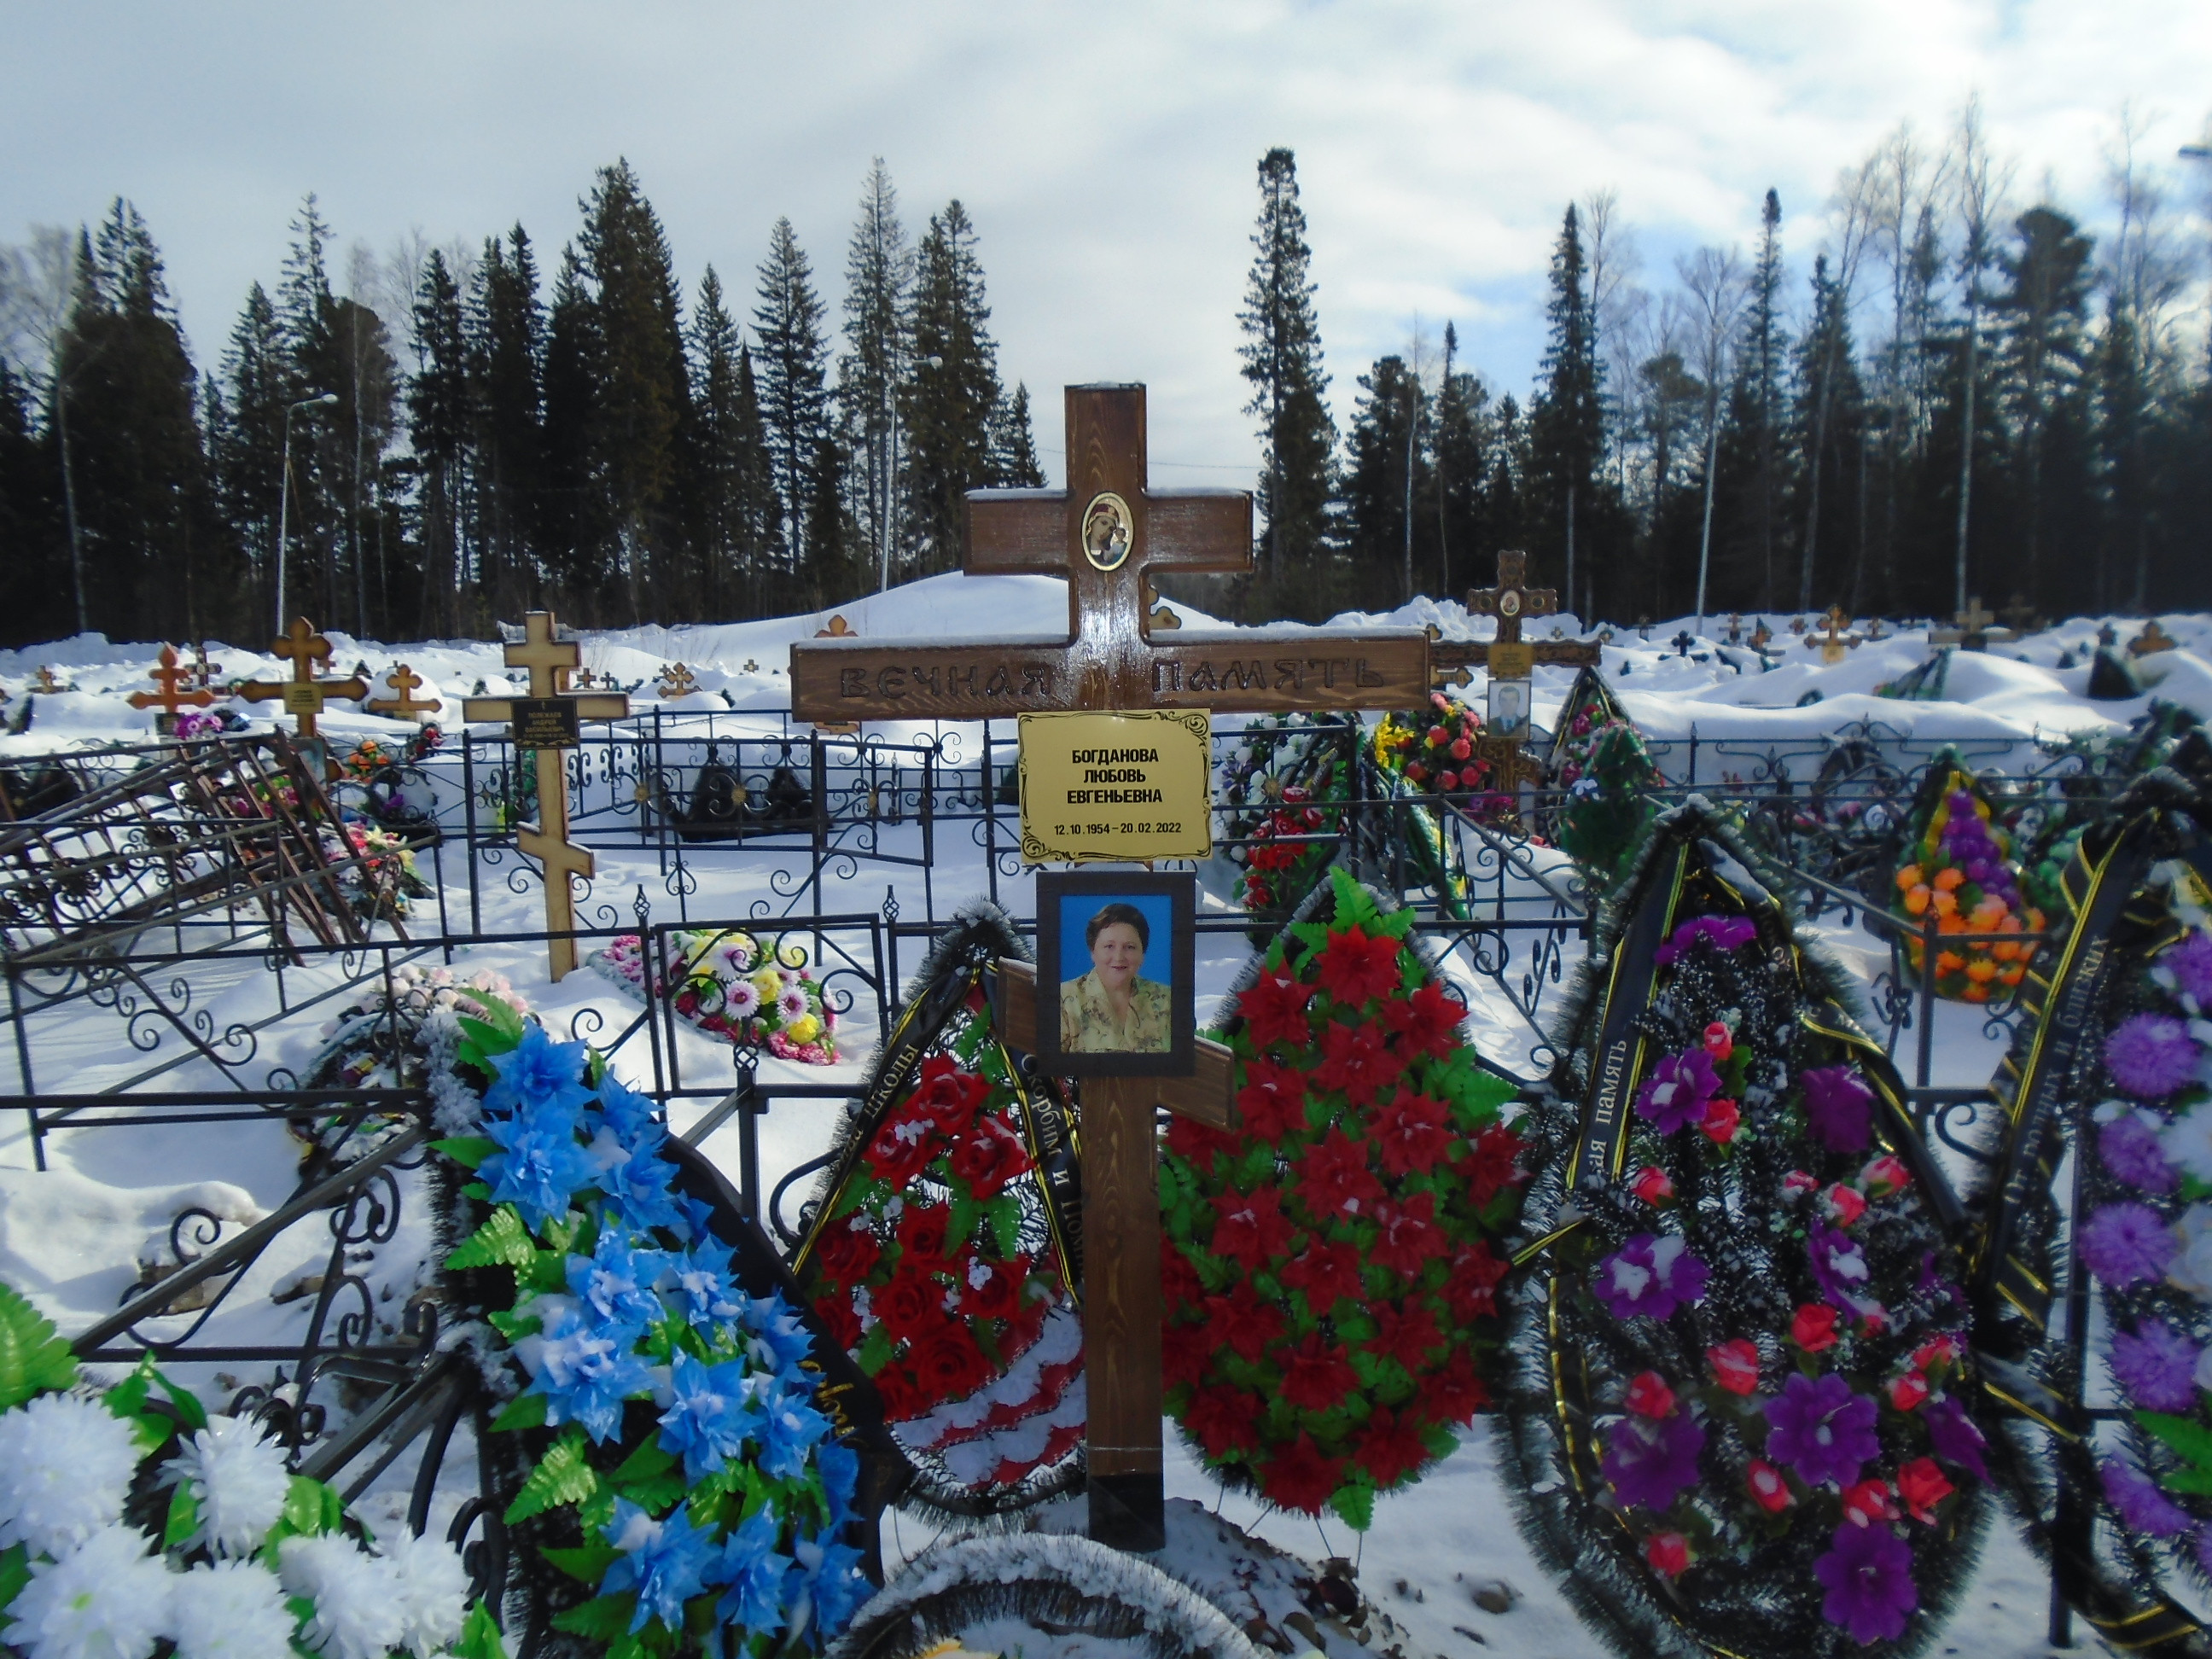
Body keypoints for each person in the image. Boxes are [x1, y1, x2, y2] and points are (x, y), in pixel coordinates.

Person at [1060, 901, 1172, 1053]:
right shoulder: (1063, 998)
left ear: (1142, 954)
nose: (1119, 957)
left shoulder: (1168, 999)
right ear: (1093, 952)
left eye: (1130, 947)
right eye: (1109, 946)